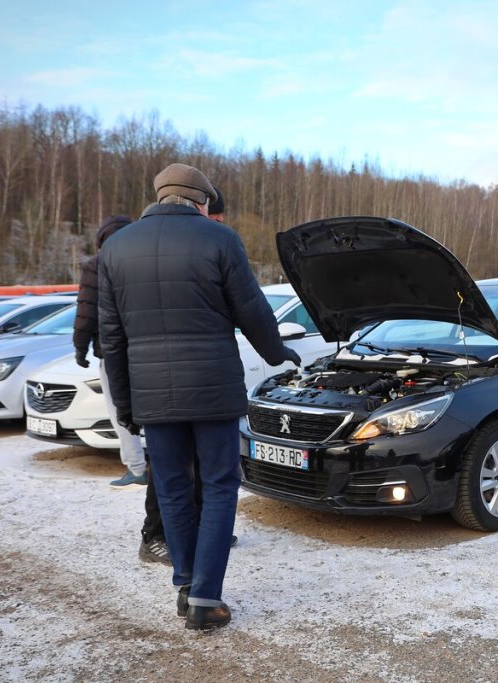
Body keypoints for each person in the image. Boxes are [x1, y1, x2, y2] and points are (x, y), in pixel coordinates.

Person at [98, 163, 300, 631]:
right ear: (201, 200)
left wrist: (125, 405)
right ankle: (206, 598)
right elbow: (252, 310)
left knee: (170, 488)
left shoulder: (116, 248)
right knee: (219, 486)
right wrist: (277, 353)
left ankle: (187, 584)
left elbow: (112, 337)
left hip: (153, 395)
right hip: (213, 391)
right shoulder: (219, 239)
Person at [137, 182, 230, 565]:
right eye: (214, 216)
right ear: (200, 207)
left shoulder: (207, 247)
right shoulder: (193, 249)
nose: (217, 224)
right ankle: (155, 536)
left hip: (187, 383)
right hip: (168, 381)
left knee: (191, 474)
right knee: (173, 476)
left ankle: (199, 544)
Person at [73, 215, 147, 489]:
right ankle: (162, 464)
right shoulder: (143, 260)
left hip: (111, 352)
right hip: (145, 351)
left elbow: (86, 310)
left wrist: (80, 347)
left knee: (120, 410)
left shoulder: (96, 264)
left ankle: (136, 468)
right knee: (154, 409)